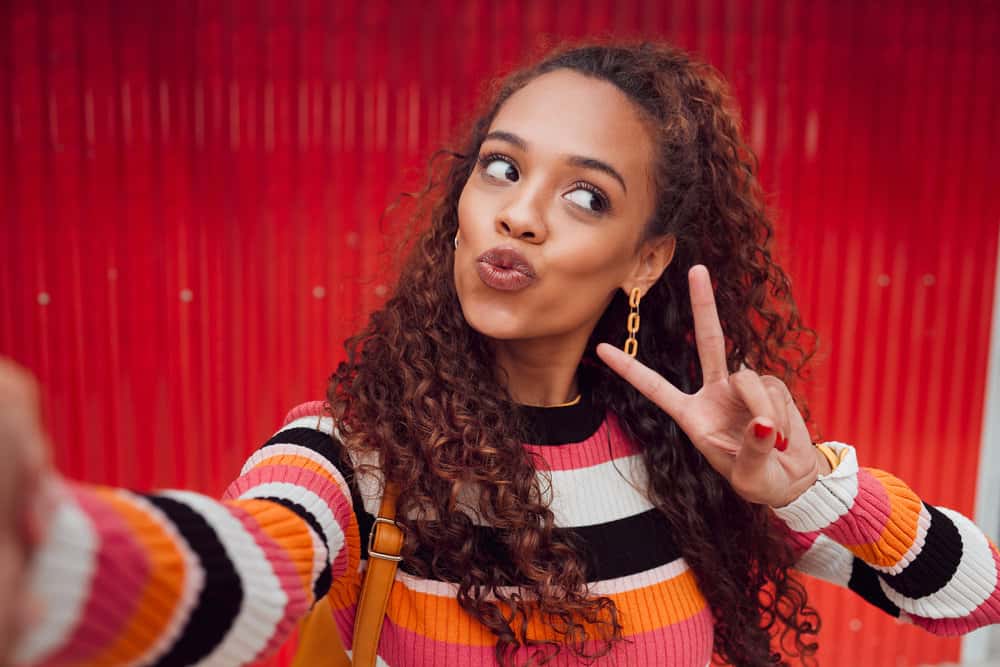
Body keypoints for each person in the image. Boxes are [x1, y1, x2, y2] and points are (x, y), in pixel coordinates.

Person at [3, 41, 999, 667]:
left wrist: (808, 490)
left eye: (585, 194)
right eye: (502, 166)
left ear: (646, 257)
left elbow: (974, 596)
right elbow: (249, 568)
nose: (517, 213)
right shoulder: (357, 453)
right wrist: (52, 557)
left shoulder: (703, 468)